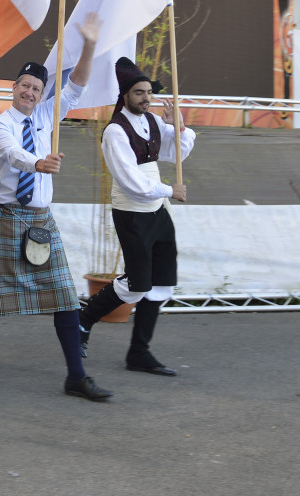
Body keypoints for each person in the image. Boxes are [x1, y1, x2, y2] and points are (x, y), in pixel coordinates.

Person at [0, 14, 113, 400]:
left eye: (37, 88)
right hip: (10, 219)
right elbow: (13, 154)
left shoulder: (45, 116)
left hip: (41, 221)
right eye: (25, 85)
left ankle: (75, 377)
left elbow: (77, 85)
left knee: (65, 297)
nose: (31, 93)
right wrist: (38, 163)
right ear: (14, 87)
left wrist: (88, 44)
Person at [78, 57, 195, 376]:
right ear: (125, 95)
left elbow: (177, 153)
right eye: (139, 92)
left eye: (148, 92)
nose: (146, 97)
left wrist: (178, 126)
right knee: (136, 282)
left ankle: (139, 352)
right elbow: (130, 180)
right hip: (132, 209)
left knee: (161, 284)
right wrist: (170, 190)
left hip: (158, 208)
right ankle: (83, 319)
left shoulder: (154, 122)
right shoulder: (115, 131)